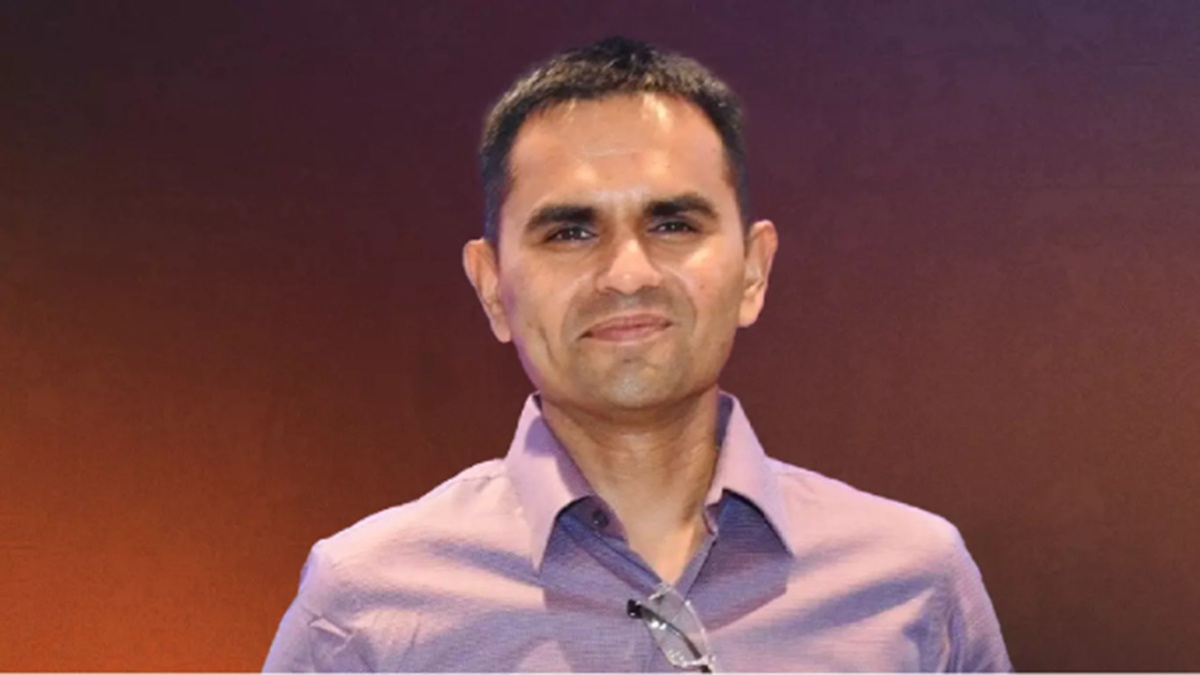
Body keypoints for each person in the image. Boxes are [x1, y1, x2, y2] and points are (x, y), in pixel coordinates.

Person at [263, 36, 1011, 672]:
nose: (627, 275)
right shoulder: (366, 604)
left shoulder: (916, 582)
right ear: (492, 287)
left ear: (753, 272)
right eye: (570, 232)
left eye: (674, 224)